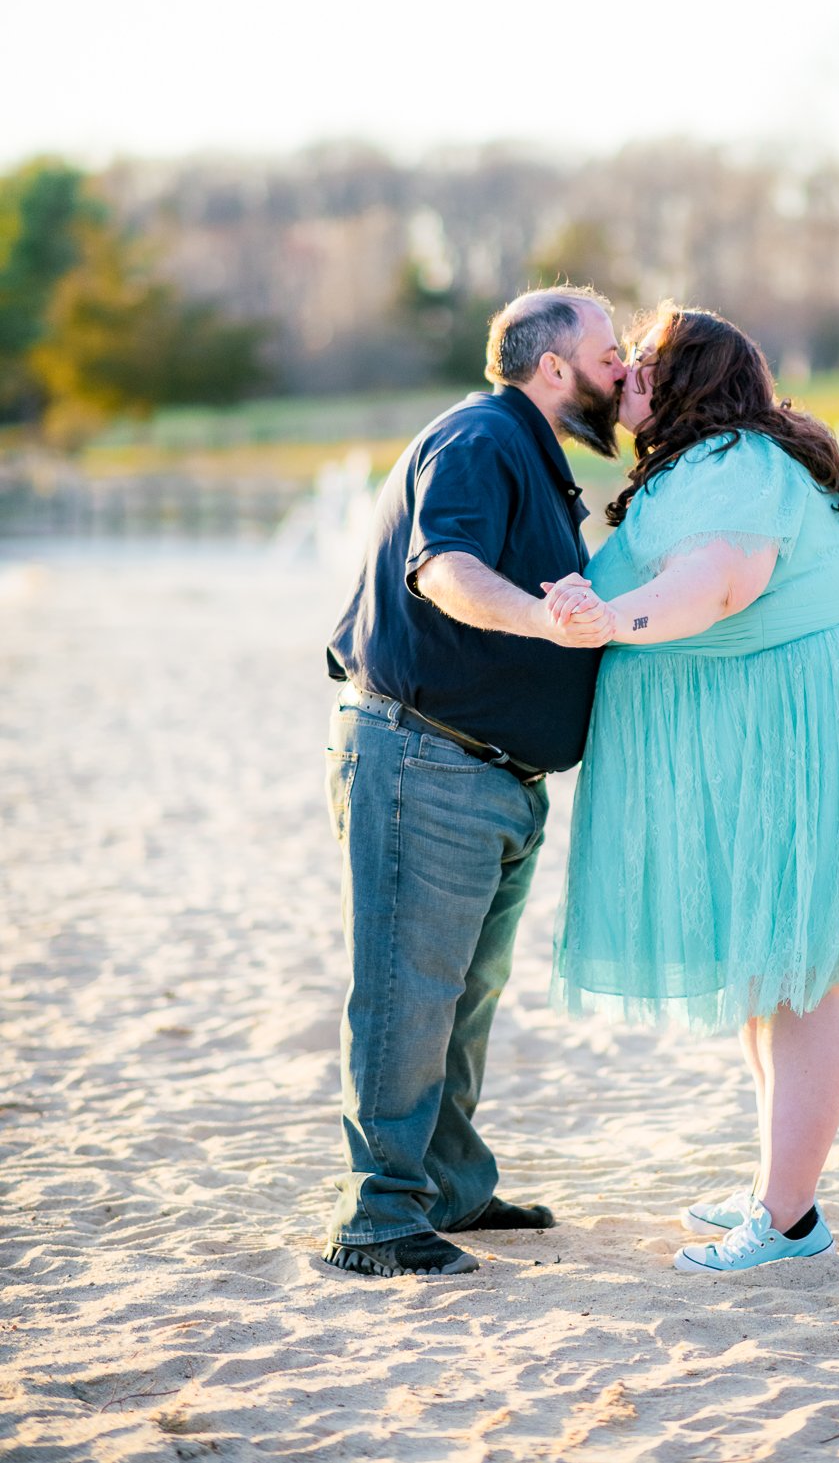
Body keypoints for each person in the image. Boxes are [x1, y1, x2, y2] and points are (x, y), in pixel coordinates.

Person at [543, 304, 839, 1276]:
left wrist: (610, 620)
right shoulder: (706, 466)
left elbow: (718, 582)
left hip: (812, 731)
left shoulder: (731, 464)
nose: (623, 377)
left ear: (690, 381)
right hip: (786, 729)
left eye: (642, 363)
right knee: (771, 975)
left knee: (799, 982)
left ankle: (790, 1220)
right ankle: (781, 1182)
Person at [321, 286, 621, 1278]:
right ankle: (378, 1220)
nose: (621, 372)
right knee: (410, 994)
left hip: (485, 775)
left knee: (465, 995)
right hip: (424, 762)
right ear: (553, 368)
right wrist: (547, 619)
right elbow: (441, 566)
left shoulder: (531, 456)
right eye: (609, 354)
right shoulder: (484, 437)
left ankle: (447, 1186)